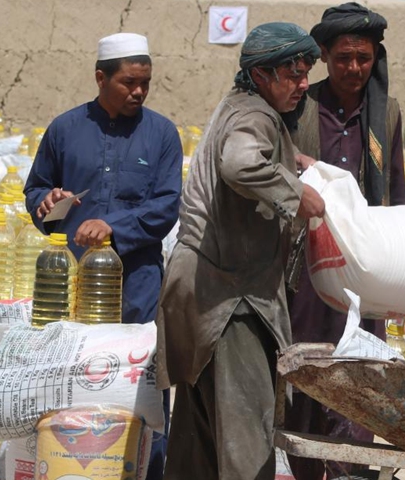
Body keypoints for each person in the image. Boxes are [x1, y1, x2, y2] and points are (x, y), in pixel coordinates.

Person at [155, 23, 325, 480]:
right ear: (262, 74)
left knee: (200, 440)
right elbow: (240, 162)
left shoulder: (237, 106)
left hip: (198, 293)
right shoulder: (257, 114)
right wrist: (296, 193)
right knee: (245, 435)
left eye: (306, 71)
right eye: (293, 73)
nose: (303, 83)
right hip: (231, 300)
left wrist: (294, 162)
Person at [23, 32, 181, 480]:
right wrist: (47, 201)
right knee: (74, 383)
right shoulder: (64, 129)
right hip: (74, 288)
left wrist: (116, 227)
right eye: (129, 82)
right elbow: (36, 190)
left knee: (141, 387)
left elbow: (167, 206)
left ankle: (146, 470)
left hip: (138, 287)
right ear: (100, 77)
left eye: (145, 83)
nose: (139, 92)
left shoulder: (161, 134)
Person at [285, 3, 405, 479]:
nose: (353, 69)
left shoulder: (387, 114)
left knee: (359, 389)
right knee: (307, 387)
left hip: (364, 276)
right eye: (342, 58)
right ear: (323, 56)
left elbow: (393, 196)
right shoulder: (299, 107)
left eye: (363, 58)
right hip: (307, 275)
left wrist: (397, 277)